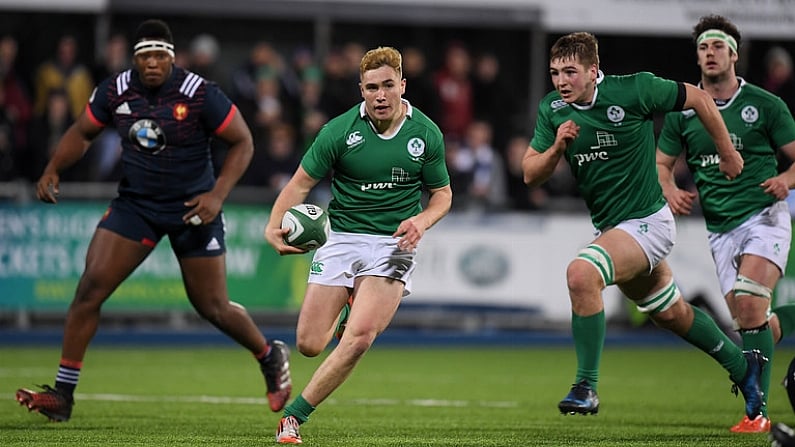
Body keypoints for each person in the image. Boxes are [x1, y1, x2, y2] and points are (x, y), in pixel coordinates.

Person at [14, 19, 291, 422]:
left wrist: (217, 195)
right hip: (137, 206)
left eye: (160, 55)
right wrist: (53, 166)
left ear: (172, 58)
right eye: (145, 56)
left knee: (212, 306)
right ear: (135, 58)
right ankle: (63, 394)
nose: (153, 63)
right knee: (90, 288)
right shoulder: (115, 89)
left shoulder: (199, 93)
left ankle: (269, 355)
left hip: (193, 207)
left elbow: (243, 141)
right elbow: (83, 131)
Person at [521, 31, 765, 425]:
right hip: (614, 229)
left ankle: (585, 386)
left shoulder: (636, 89)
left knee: (581, 274)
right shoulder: (553, 109)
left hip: (649, 222)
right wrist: (556, 149)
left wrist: (727, 150)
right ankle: (743, 366)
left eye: (570, 72)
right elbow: (531, 174)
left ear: (593, 70)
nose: (561, 81)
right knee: (670, 313)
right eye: (554, 73)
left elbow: (700, 99)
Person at [263, 46, 452, 444]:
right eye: (371, 87)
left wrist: (421, 220)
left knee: (361, 336)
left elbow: (443, 196)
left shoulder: (426, 133)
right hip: (342, 237)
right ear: (360, 89)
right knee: (310, 344)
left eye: (387, 85)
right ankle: (351, 300)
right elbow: (299, 183)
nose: (380, 95)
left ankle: (293, 418)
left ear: (402, 85)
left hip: (397, 244)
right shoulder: (338, 131)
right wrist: (272, 226)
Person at [656, 15, 795, 433]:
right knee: (754, 321)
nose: (709, 53)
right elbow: (662, 165)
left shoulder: (766, 105)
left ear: (733, 54)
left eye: (717, 46)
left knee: (751, 301)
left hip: (764, 217)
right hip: (720, 230)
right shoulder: (683, 112)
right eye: (702, 47)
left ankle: (757, 413)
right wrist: (668, 189)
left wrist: (785, 181)